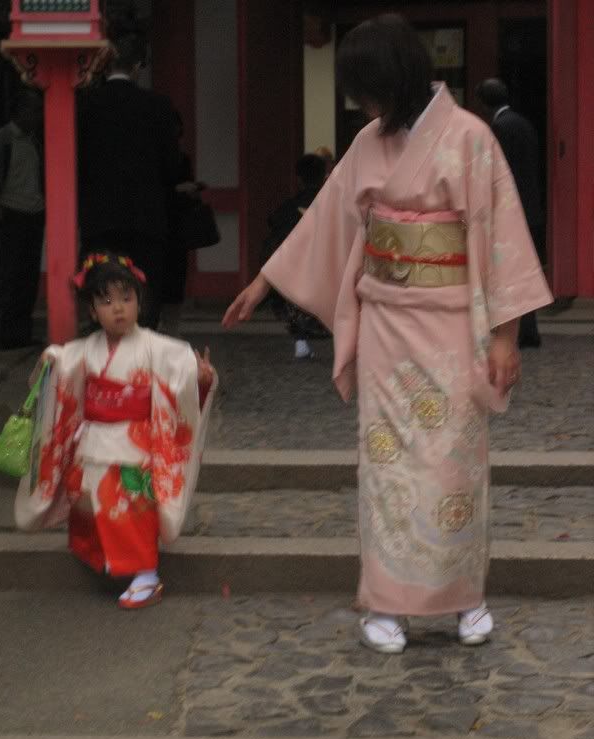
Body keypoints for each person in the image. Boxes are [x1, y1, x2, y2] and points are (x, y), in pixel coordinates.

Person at [224, 14, 552, 653]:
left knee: (454, 465)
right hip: (385, 329)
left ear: (395, 80)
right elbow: (326, 219)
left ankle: (466, 599)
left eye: (368, 93)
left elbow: (501, 240)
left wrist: (505, 337)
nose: (363, 106)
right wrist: (263, 282)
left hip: (452, 326)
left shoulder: (470, 138)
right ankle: (387, 603)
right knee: (387, 468)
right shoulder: (367, 143)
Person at [15, 252, 216, 609]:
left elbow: (181, 380)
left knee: (130, 507)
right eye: (106, 302)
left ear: (139, 302)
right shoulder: (84, 350)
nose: (118, 308)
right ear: (93, 311)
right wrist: (51, 363)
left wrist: (199, 379)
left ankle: (146, 574)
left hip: (133, 444)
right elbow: (62, 366)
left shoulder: (158, 347)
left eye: (126, 298)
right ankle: (109, 560)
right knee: (89, 503)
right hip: (93, 441)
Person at [77, 33, 180, 330]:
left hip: (99, 215)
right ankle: (141, 344)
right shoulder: (158, 106)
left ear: (104, 65)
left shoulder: (86, 105)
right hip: (145, 215)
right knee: (144, 290)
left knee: (101, 285)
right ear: (138, 66)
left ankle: (102, 344)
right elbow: (171, 167)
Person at [477, 78, 545, 348]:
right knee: (524, 270)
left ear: (484, 104)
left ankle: (519, 331)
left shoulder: (499, 128)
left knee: (509, 271)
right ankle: (529, 330)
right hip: (531, 204)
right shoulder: (523, 123)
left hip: (513, 206)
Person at [261, 153, 329, 359]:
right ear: (324, 176)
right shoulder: (332, 203)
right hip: (329, 268)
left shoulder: (290, 206)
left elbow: (274, 224)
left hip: (298, 270)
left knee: (288, 294)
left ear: (298, 178)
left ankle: (300, 342)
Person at [0, 89, 44, 349]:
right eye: (33, 110)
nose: (37, 116)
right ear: (20, 111)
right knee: (8, 276)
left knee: (28, 277)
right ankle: (2, 333)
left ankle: (21, 333)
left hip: (34, 214)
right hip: (11, 212)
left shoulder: (35, 141)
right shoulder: (2, 138)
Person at [159, 111, 201, 338]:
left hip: (177, 226)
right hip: (159, 224)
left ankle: (171, 329)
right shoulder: (153, 159)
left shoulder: (183, 159)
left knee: (175, 282)